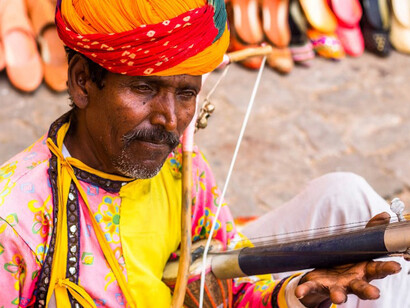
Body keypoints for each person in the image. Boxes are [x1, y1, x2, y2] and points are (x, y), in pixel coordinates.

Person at [0, 0, 403, 307]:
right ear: (82, 82)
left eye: (186, 93)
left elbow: (227, 278)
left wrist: (296, 292)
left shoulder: (180, 168)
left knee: (346, 197)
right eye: (144, 88)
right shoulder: (15, 224)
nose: (171, 120)